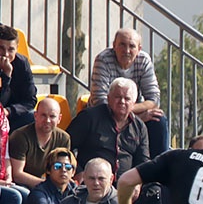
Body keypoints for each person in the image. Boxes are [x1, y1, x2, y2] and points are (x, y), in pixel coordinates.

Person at [89, 28, 168, 158]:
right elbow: (100, 99)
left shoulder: (144, 60)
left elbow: (154, 99)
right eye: (122, 45)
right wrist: (131, 118)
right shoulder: (103, 59)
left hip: (132, 111)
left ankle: (160, 168)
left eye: (131, 46)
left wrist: (130, 114)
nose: (126, 51)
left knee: (158, 119)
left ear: (139, 49)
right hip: (105, 113)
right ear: (114, 45)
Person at [68, 77, 150, 181]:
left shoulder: (139, 127)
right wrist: (78, 171)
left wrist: (138, 183)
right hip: (92, 184)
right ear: (108, 98)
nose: (122, 101)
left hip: (125, 186)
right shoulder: (89, 117)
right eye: (117, 97)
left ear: (134, 103)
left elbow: (143, 161)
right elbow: (66, 147)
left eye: (127, 98)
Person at [8, 96, 71, 189]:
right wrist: (47, 185)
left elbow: (62, 169)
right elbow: (17, 174)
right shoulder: (20, 136)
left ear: (59, 118)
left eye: (52, 116)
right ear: (35, 115)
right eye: (43, 115)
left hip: (48, 184)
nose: (47, 120)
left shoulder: (64, 138)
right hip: (22, 185)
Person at [0, 24, 38, 132]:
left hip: (12, 115)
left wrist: (9, 111)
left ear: (16, 49)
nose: (6, 54)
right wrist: (6, 76)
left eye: (11, 49)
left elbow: (30, 100)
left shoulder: (22, 64)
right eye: (1, 48)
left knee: (31, 117)